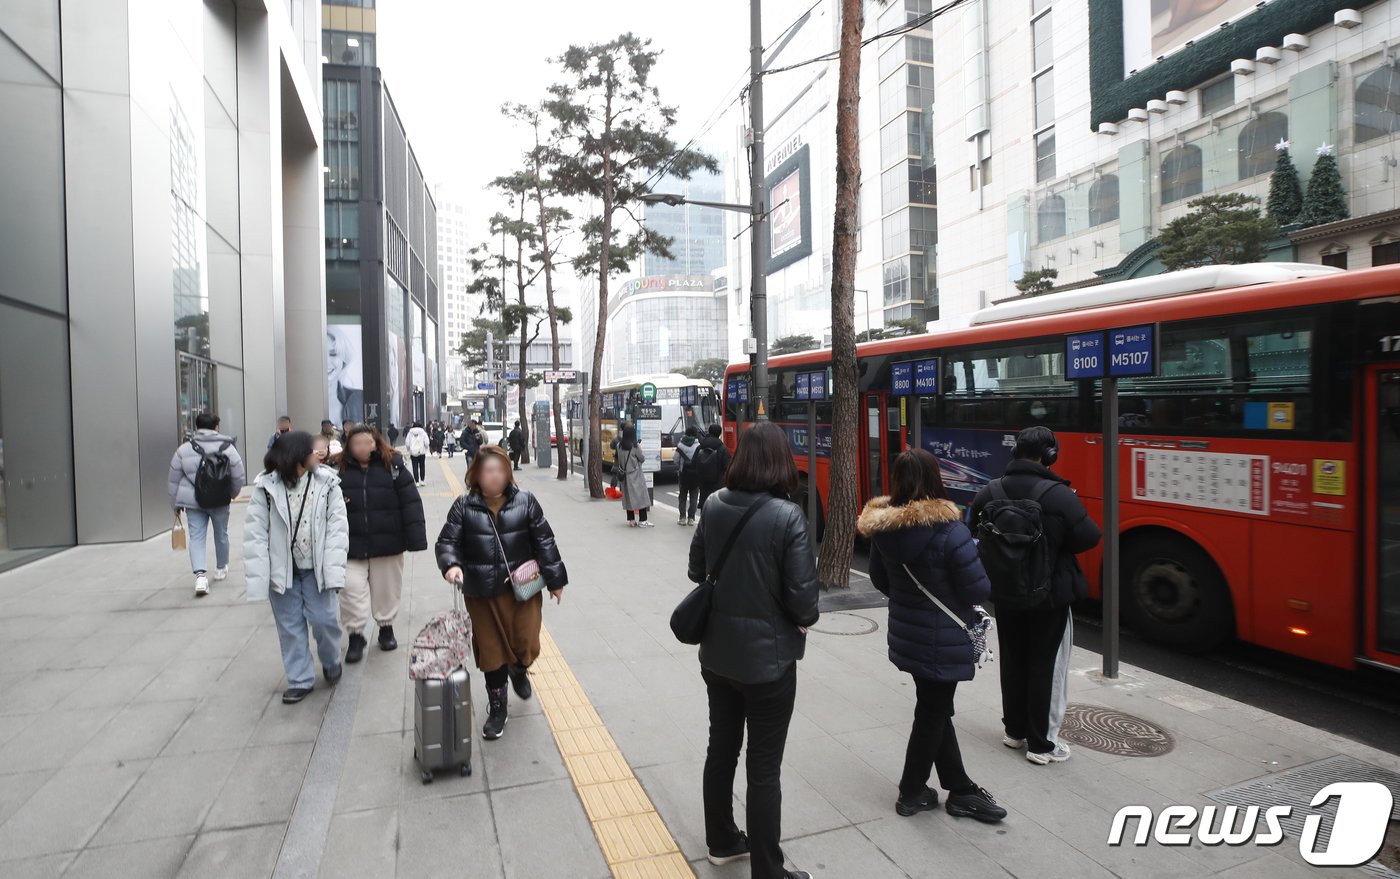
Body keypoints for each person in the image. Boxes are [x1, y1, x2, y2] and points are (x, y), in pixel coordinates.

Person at [686, 421, 820, 879]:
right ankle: (769, 870)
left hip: (717, 657)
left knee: (720, 749)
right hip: (770, 664)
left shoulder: (714, 504)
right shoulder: (788, 517)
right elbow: (805, 605)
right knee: (764, 769)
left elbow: (696, 570)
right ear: (783, 461)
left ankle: (721, 841)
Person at [857, 449, 1008, 823]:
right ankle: (912, 792)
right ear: (935, 479)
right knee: (932, 713)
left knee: (936, 709)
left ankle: (960, 788)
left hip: (910, 632)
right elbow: (976, 590)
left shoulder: (883, 529)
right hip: (943, 635)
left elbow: (880, 578)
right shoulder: (951, 530)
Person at [970, 426, 1102, 765]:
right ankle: (1042, 744)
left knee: (1013, 659)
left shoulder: (990, 490)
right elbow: (1090, 537)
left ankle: (1014, 732)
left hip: (1005, 593)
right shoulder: (1059, 495)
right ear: (1049, 455)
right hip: (1049, 595)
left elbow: (973, 531)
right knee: (1045, 665)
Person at [436, 445, 567, 740]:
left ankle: (519, 669)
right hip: (482, 594)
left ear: (508, 473)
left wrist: (556, 580)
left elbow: (544, 540)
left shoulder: (526, 501)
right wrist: (451, 566)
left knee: (527, 644)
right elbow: (447, 542)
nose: (494, 476)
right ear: (476, 475)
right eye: (488, 471)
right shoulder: (463, 506)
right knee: (492, 653)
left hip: (522, 591)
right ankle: (498, 707)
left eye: (500, 470)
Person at [244, 431, 349, 704]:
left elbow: (338, 531)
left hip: (316, 569)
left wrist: (334, 570)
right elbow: (255, 535)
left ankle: (330, 659)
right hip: (283, 571)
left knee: (324, 619)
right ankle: (300, 679)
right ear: (296, 455)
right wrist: (258, 578)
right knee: (289, 627)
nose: (317, 454)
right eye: (311, 450)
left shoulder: (328, 484)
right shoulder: (265, 489)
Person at [338, 425, 426, 662]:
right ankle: (356, 635)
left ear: (376, 443)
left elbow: (411, 503)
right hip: (350, 547)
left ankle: (386, 628)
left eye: (367, 442)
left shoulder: (393, 467)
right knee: (350, 591)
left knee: (386, 590)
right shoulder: (338, 470)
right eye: (356, 443)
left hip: (387, 543)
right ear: (349, 446)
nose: (362, 447)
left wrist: (416, 538)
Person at [168, 412, 246, 597]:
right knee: (221, 534)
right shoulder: (227, 447)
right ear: (216, 427)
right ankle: (221, 568)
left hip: (193, 501)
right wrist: (232, 494)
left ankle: (201, 577)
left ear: (196, 426)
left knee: (196, 537)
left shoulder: (184, 450)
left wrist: (175, 504)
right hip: (219, 500)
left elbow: (173, 480)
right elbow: (238, 475)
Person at [693, 424, 731, 517]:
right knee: (717, 503)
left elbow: (693, 462)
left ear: (709, 432)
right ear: (719, 433)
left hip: (703, 481)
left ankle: (703, 523)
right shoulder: (722, 448)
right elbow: (728, 466)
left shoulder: (700, 447)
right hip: (718, 482)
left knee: (704, 503)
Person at [616, 428, 651, 527]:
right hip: (635, 475)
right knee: (641, 497)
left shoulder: (619, 446)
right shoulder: (635, 446)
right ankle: (643, 520)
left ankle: (631, 520)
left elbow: (618, 460)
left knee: (628, 498)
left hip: (625, 476)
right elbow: (642, 458)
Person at [675, 425, 701, 526]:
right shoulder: (698, 445)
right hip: (695, 474)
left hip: (683, 474)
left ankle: (682, 518)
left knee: (682, 496)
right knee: (694, 497)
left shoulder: (681, 445)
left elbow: (676, 459)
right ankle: (691, 518)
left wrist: (681, 465)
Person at [404, 421, 430, 486]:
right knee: (422, 466)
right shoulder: (423, 432)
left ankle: (417, 482)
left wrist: (409, 449)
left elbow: (407, 443)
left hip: (413, 453)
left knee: (414, 466)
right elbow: (427, 442)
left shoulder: (410, 433)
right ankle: (422, 481)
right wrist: (425, 448)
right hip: (422, 452)